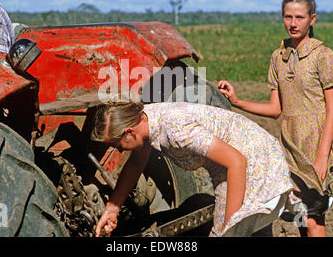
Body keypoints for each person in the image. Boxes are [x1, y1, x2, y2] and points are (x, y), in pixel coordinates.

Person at [217, 0, 333, 237]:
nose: (293, 23)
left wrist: (322, 157)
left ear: (312, 19)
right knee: (299, 215)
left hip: (319, 143)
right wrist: (236, 101)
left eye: (299, 17)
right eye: (288, 17)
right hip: (290, 146)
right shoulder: (278, 58)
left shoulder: (322, 55)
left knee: (313, 217)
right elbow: (275, 109)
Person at [92, 101, 294, 237]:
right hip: (233, 163)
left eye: (118, 145)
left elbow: (237, 161)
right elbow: (136, 164)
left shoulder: (175, 129)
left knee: (228, 232)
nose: (117, 150)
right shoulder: (144, 120)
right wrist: (112, 209)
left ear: (129, 132)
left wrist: (230, 227)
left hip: (254, 161)